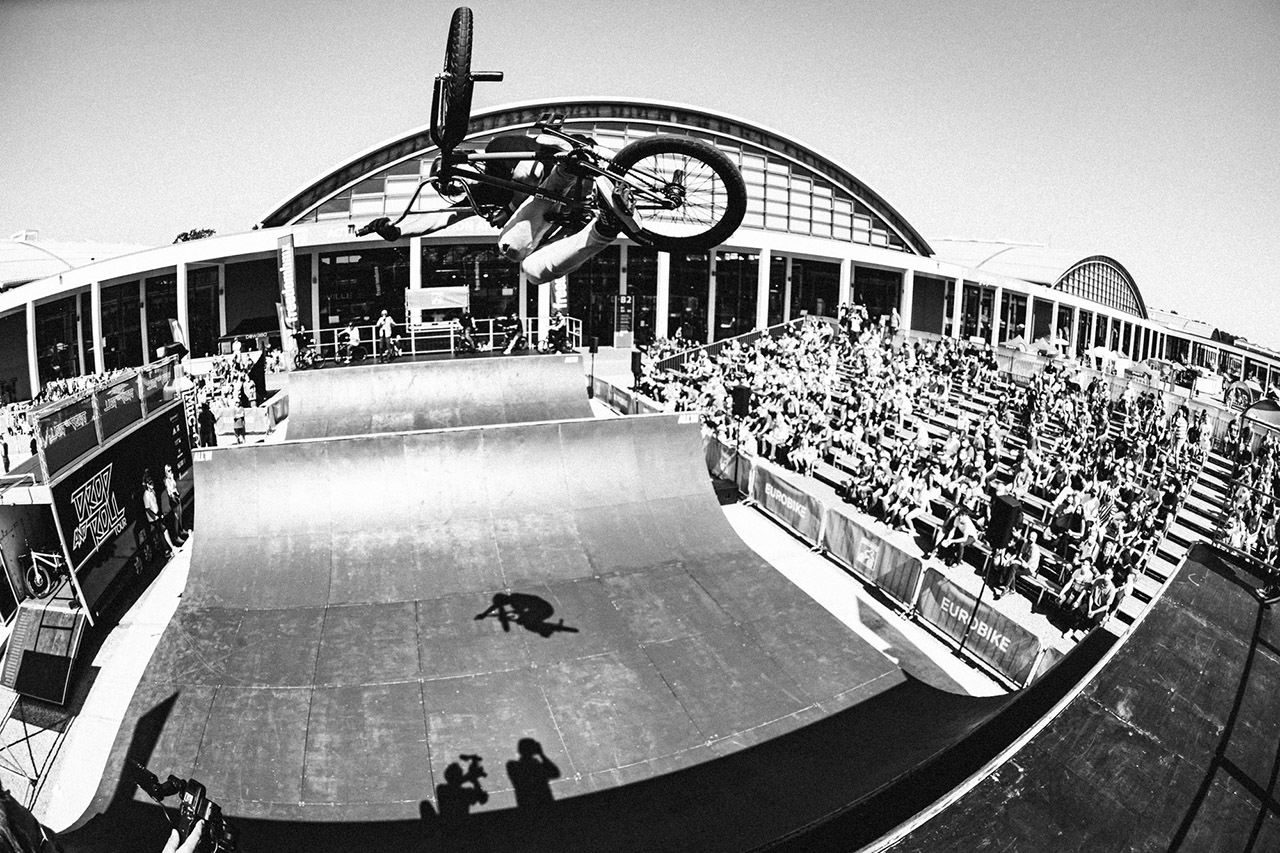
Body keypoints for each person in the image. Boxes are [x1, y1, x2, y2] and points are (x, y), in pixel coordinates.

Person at [360, 132, 638, 287]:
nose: (457, 189)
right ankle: (605, 228)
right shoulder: (481, 195)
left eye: (453, 182)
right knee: (530, 268)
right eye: (449, 190)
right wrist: (396, 230)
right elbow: (442, 218)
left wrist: (511, 207)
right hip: (575, 215)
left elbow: (529, 173)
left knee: (523, 179)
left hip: (572, 170)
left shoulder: (498, 150)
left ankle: (567, 166)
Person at [142, 471, 177, 558]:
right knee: (164, 530)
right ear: (147, 485)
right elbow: (147, 509)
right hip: (153, 518)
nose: (152, 484)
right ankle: (170, 549)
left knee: (163, 532)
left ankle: (168, 550)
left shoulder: (152, 491)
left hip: (157, 515)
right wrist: (155, 516)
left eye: (152, 482)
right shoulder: (146, 495)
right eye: (150, 483)